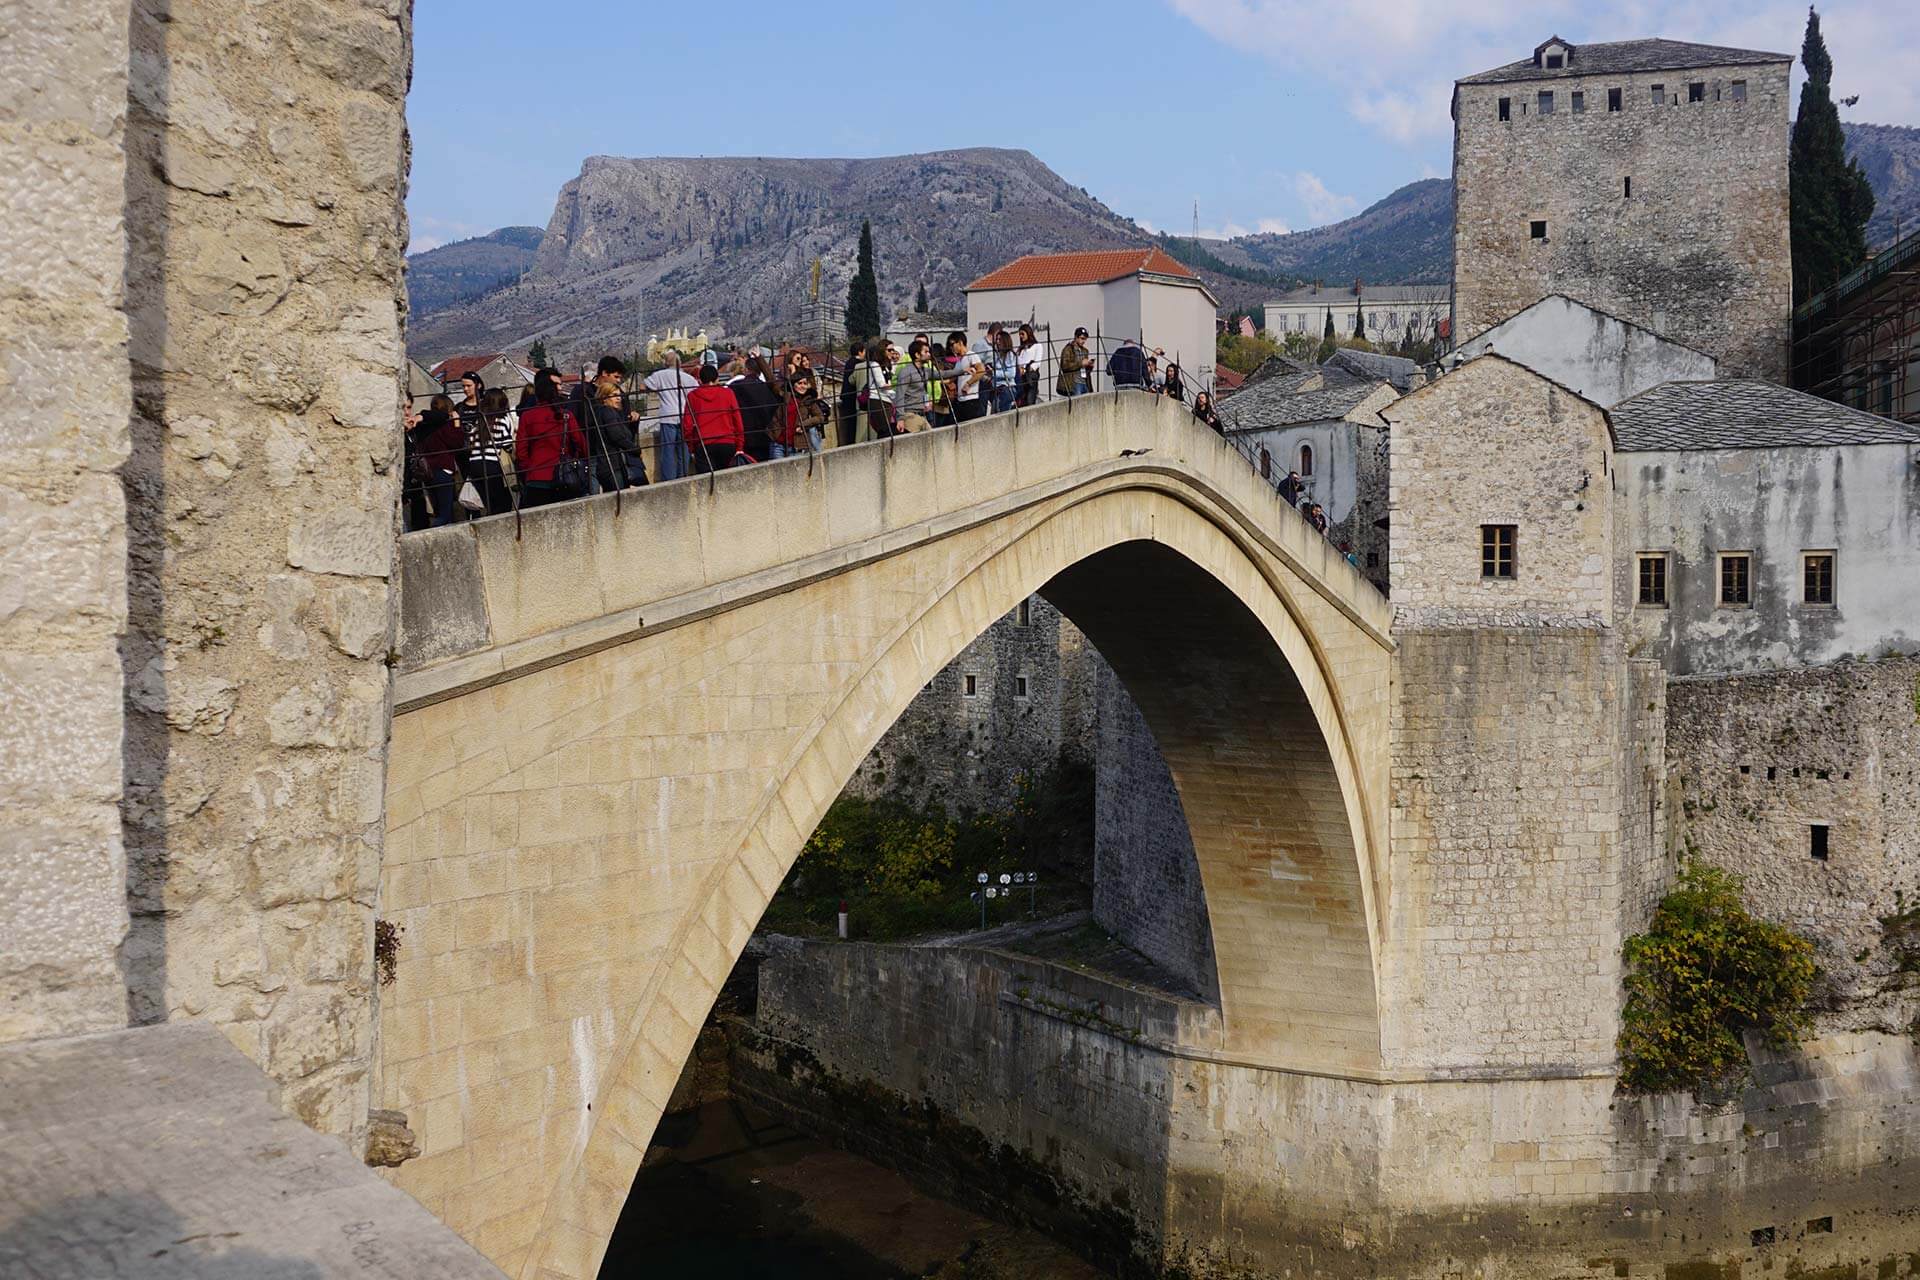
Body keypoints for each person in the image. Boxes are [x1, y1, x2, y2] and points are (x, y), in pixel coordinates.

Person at [512, 368, 588, 508]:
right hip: (564, 478)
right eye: (557, 384)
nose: (560, 388)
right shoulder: (566, 416)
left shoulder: (527, 416)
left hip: (536, 479)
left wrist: (529, 470)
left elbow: (521, 452)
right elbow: (581, 444)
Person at [573, 356, 638, 493]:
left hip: (612, 453)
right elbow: (576, 419)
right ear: (604, 373)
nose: (619, 381)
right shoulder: (583, 392)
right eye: (616, 376)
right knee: (595, 494)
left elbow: (623, 425)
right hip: (590, 451)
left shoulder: (620, 396)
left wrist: (633, 422)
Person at [407, 394, 465, 528]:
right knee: (445, 513)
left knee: (439, 510)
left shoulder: (424, 425)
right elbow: (457, 443)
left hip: (427, 472)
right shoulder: (444, 426)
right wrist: (457, 423)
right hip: (443, 470)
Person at [643, 350, 698, 482]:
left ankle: (668, 480)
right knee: (683, 451)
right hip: (684, 416)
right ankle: (682, 477)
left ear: (666, 362)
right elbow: (696, 393)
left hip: (668, 415)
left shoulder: (660, 375)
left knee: (667, 451)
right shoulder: (688, 378)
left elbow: (643, 386)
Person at [684, 363, 746, 473]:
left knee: (706, 483)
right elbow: (738, 420)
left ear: (700, 379)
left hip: (703, 444)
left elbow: (687, 426)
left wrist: (691, 448)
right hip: (727, 442)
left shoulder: (692, 396)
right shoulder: (727, 393)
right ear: (717, 378)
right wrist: (739, 446)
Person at [466, 387, 518, 514]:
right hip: (491, 464)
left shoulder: (479, 421)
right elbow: (507, 444)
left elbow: (470, 440)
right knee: (501, 502)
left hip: (474, 465)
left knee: (488, 502)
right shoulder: (502, 420)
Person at [730, 355, 783, 461]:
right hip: (765, 436)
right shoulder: (767, 388)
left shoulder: (735, 386)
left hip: (745, 437)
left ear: (746, 369)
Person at [774, 368, 830, 455]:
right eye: (799, 383)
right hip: (778, 443)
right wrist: (759, 358)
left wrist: (803, 424)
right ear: (793, 385)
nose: (802, 386)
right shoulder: (786, 396)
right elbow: (772, 382)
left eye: (805, 383)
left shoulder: (808, 400)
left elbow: (820, 417)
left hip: (796, 445)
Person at [851, 340, 897, 441]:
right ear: (882, 351)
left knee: (886, 429)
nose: (892, 352)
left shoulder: (886, 365)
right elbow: (882, 384)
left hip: (886, 399)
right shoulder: (875, 365)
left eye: (893, 350)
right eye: (890, 350)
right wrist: (897, 388)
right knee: (884, 430)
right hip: (877, 399)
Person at [890, 337, 937, 434]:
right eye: (926, 352)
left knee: (932, 440)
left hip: (922, 414)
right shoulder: (906, 371)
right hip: (910, 416)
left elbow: (943, 374)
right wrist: (900, 418)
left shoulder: (925, 370)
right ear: (917, 355)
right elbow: (900, 395)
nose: (929, 354)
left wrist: (963, 370)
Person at [945, 331, 987, 422]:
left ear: (960, 342)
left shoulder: (971, 355)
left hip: (971, 400)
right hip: (961, 400)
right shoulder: (959, 361)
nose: (951, 348)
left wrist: (968, 383)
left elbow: (981, 370)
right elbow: (953, 377)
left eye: (952, 344)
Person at [837, 338, 865, 447]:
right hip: (852, 396)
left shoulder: (849, 362)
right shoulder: (858, 364)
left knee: (848, 423)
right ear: (860, 352)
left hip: (846, 396)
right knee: (853, 423)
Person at [989, 328, 1019, 414]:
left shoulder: (1009, 354)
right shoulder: (997, 355)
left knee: (1002, 415)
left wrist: (994, 373)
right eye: (997, 339)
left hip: (1006, 389)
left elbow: (1011, 373)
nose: (997, 342)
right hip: (997, 389)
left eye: (1000, 339)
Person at [1056, 327, 1092, 397]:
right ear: (1076, 337)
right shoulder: (1068, 349)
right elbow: (1065, 366)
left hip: (1084, 382)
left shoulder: (1085, 351)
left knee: (1087, 404)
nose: (1084, 341)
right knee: (1076, 405)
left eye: (1085, 339)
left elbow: (1084, 368)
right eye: (1082, 338)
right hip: (1074, 383)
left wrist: (1089, 366)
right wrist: (1081, 363)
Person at [1015, 324, 1043, 407]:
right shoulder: (1021, 349)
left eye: (1022, 334)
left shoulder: (1037, 346)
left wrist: (1025, 369)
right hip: (1020, 379)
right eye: (1019, 334)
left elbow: (1037, 363)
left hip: (1029, 377)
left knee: (1029, 401)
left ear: (1028, 333)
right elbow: (1018, 362)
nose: (1021, 336)